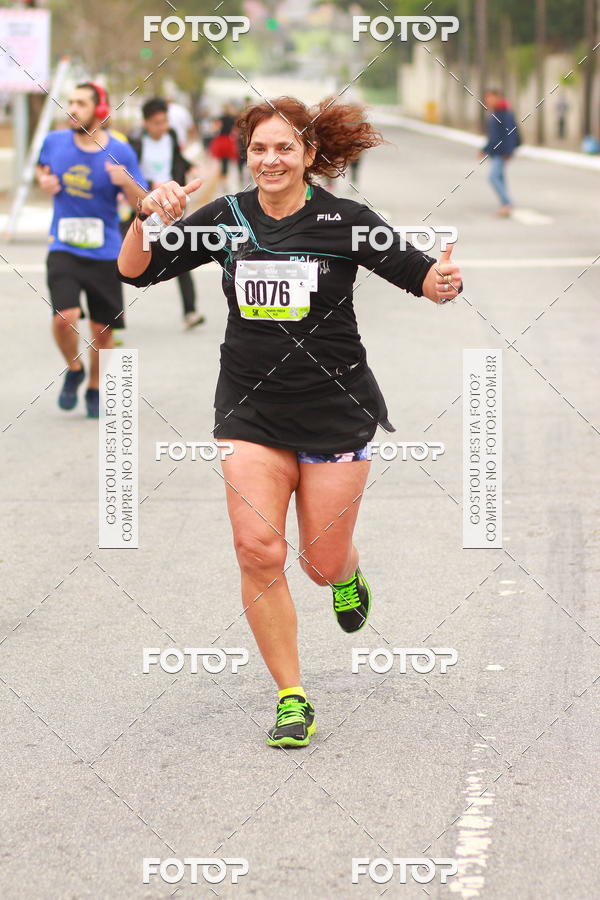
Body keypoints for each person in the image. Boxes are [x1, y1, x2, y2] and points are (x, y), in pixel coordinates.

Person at [117, 96, 462, 748]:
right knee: (257, 549)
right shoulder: (226, 218)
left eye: (285, 148)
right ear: (245, 155)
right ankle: (292, 696)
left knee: (319, 563)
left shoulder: (345, 219)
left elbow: (421, 276)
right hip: (250, 410)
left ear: (308, 155)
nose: (271, 160)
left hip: (337, 408)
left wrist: (442, 280)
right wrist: (144, 219)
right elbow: (135, 273)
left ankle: (347, 573)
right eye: (259, 149)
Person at [36, 82, 147, 417]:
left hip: (105, 251)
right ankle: (74, 369)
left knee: (102, 329)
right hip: (64, 246)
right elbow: (43, 171)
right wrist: (44, 183)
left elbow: (142, 203)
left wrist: (125, 181)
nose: (72, 107)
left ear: (100, 110)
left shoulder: (120, 151)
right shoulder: (54, 141)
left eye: (81, 103)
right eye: (70, 101)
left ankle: (96, 386)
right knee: (63, 318)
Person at [127, 97, 205, 329]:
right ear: (146, 123)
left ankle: (190, 312)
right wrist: (150, 184)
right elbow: (130, 171)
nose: (162, 127)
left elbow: (176, 160)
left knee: (180, 253)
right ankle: (112, 317)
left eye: (165, 121)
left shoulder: (171, 137)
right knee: (125, 255)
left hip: (170, 206)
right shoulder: (136, 141)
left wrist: (189, 167)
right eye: (157, 123)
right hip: (145, 206)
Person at [481, 89, 521, 217]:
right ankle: (505, 204)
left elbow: (511, 134)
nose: (488, 101)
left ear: (498, 97)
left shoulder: (505, 114)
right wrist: (485, 150)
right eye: (487, 98)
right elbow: (493, 137)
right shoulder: (495, 113)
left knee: (493, 177)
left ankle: (507, 203)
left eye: (490, 98)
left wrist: (508, 153)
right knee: (500, 178)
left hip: (501, 153)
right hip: (496, 152)